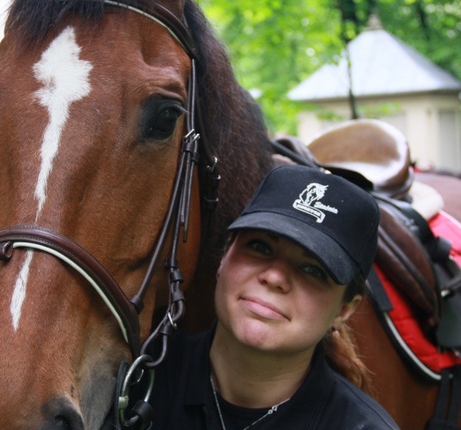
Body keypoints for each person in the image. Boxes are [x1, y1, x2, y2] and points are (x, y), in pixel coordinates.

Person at [149, 165, 399, 429]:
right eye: (260, 246)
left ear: (344, 310)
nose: (275, 278)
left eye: (313, 270)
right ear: (224, 255)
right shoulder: (137, 378)